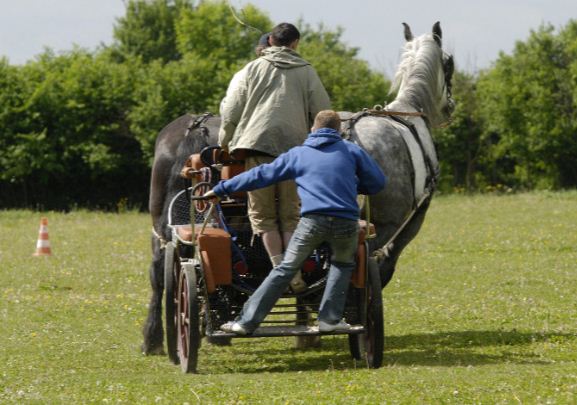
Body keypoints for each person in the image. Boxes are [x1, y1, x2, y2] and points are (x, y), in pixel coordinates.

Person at [204, 110, 386, 334]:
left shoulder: (298, 154)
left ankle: (246, 322)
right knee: (342, 265)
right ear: (339, 131)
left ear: (313, 130)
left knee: (285, 269)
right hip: (346, 222)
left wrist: (221, 188)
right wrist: (352, 185)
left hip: (313, 222)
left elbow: (260, 174)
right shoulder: (352, 150)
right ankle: (329, 319)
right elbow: (377, 183)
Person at [218, 22, 331, 292]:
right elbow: (323, 112)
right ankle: (293, 275)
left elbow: (231, 110)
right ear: (295, 44)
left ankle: (279, 271)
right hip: (296, 154)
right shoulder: (306, 72)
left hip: (257, 150)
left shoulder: (250, 69)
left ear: (270, 41)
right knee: (291, 217)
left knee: (264, 217)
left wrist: (224, 143)